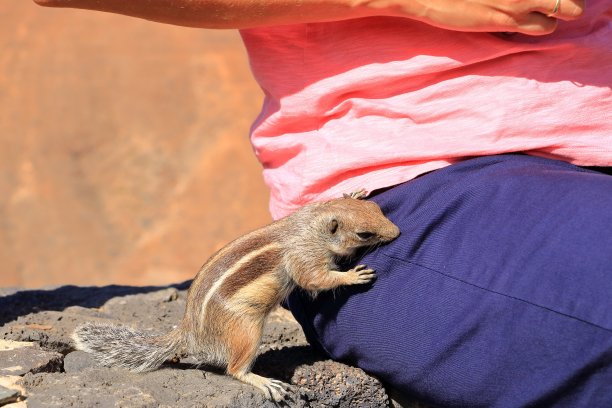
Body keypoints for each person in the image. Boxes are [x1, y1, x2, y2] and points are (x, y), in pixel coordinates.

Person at [33, 0, 612, 406]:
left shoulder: (353, 223)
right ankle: (242, 372)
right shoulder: (332, 240)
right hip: (437, 171)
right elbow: (310, 272)